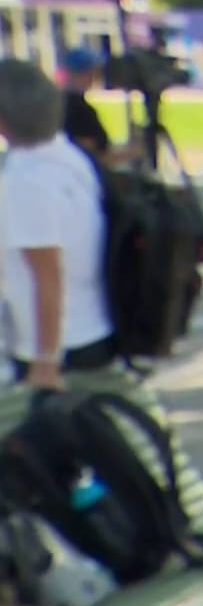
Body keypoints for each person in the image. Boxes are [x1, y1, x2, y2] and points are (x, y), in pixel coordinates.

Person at [0, 58, 116, 389]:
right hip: (91, 327)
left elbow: (48, 275)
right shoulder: (68, 156)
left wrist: (46, 362)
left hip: (57, 348)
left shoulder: (28, 182)